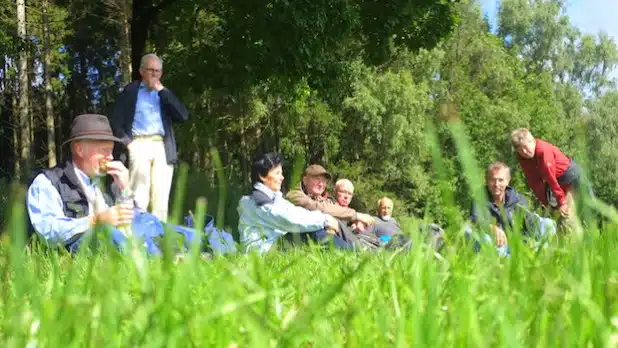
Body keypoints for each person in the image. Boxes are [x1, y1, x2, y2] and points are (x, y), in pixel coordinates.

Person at [26, 114, 200, 255]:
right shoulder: (48, 182)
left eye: (111, 150)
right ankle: (163, 258)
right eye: (104, 151)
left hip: (116, 236)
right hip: (81, 243)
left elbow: (133, 218)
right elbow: (47, 230)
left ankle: (210, 243)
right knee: (107, 234)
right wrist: (95, 220)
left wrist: (125, 189)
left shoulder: (105, 179)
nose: (110, 157)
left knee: (148, 221)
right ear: (79, 149)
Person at [109, 53, 189, 222]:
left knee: (161, 195)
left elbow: (183, 116)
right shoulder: (130, 91)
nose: (154, 75)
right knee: (139, 193)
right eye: (150, 70)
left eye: (158, 71)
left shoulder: (164, 94)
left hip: (162, 145)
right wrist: (128, 143)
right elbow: (115, 122)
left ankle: (159, 237)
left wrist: (162, 90)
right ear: (141, 71)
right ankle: (139, 232)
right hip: (138, 143)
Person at [237, 153, 344, 254]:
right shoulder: (258, 201)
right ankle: (352, 251)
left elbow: (296, 212)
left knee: (317, 227)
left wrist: (325, 218)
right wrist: (325, 220)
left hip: (273, 245)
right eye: (277, 173)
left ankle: (352, 249)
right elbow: (290, 220)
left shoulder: (273, 198)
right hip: (263, 252)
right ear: (262, 176)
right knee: (311, 233)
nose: (282, 177)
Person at [466, 161, 556, 256]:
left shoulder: (517, 198)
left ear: (508, 181)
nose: (496, 184)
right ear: (487, 181)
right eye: (492, 180)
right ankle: (504, 259)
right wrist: (491, 227)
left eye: (501, 180)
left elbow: (530, 220)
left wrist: (533, 236)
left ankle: (537, 253)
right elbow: (475, 219)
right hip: (496, 244)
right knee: (469, 232)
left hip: (517, 242)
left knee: (547, 224)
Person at [510, 128, 586, 234]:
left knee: (566, 216)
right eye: (520, 150)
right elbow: (534, 182)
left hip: (571, 179)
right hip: (557, 184)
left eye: (525, 147)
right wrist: (546, 204)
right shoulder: (523, 158)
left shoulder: (543, 151)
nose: (524, 152)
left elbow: (551, 179)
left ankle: (577, 245)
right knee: (554, 217)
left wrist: (562, 203)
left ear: (532, 140)